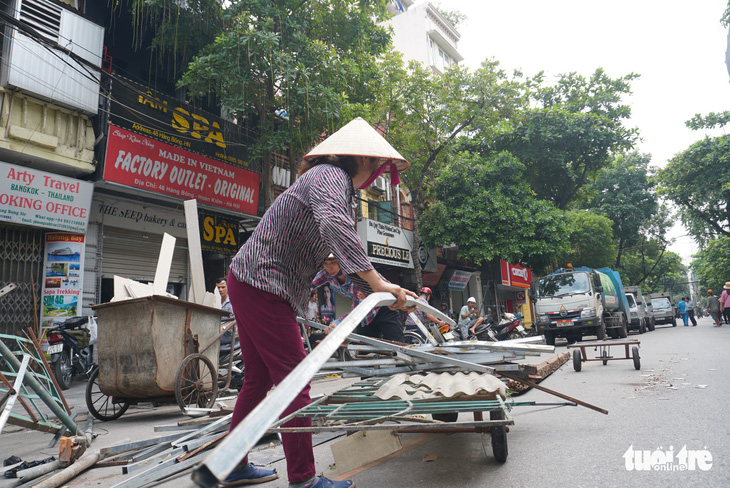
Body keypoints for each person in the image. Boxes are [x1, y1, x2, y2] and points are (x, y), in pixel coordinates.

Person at [225, 117, 415, 488]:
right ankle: (304, 479)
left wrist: (378, 291)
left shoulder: (330, 182)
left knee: (259, 379)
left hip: (252, 280)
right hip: (263, 283)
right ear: (359, 159)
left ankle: (233, 463)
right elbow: (334, 225)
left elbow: (336, 255)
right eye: (375, 163)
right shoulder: (330, 175)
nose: (376, 172)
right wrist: (379, 280)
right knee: (297, 382)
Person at [311, 254, 404, 342]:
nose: (329, 267)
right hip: (365, 316)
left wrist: (339, 322)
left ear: (342, 260)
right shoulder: (326, 273)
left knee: (396, 347)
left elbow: (360, 307)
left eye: (333, 262)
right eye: (325, 263)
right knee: (364, 352)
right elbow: (306, 286)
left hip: (384, 307)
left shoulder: (358, 275)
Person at [217, 277, 235, 346]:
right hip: (217, 330)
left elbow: (235, 320)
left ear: (227, 287)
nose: (220, 290)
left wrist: (223, 328)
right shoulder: (215, 301)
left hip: (228, 334)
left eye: (223, 287)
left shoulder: (231, 303)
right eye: (218, 288)